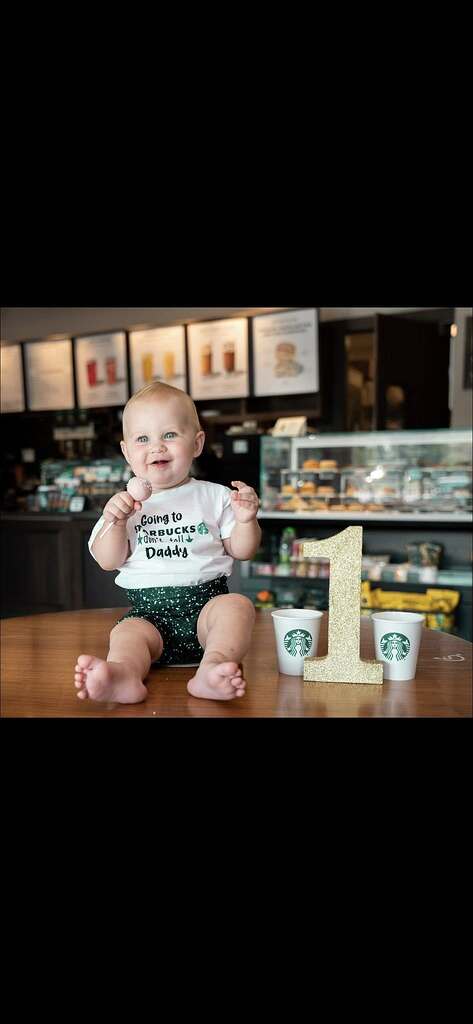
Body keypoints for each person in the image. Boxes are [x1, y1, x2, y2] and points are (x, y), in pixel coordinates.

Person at [74, 382, 261, 704]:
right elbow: (108, 559)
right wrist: (116, 523)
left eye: (170, 435)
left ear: (197, 443)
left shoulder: (214, 495)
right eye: (143, 439)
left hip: (208, 608)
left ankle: (212, 667)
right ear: (127, 452)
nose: (157, 447)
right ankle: (123, 675)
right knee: (126, 634)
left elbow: (242, 550)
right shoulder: (122, 506)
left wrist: (246, 520)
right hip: (149, 615)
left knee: (238, 607)